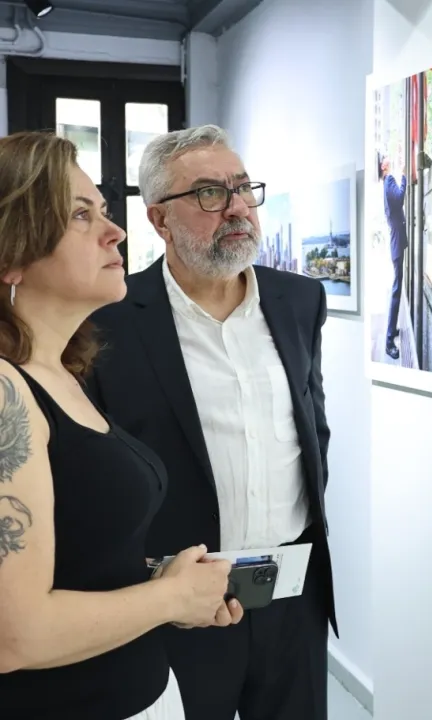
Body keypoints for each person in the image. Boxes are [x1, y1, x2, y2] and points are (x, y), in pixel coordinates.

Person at [84, 125, 336, 720]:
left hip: (290, 591)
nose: (238, 207)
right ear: (159, 219)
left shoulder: (299, 301)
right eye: (209, 194)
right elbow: (98, 474)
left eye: (243, 188)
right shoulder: (109, 318)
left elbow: (313, 428)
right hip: (176, 602)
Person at [0, 131, 237, 719]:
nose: (116, 232)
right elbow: (13, 636)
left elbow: (83, 556)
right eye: (81, 215)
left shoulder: (60, 373)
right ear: (12, 255)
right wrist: (171, 597)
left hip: (139, 688)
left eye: (104, 210)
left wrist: (172, 589)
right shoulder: (6, 391)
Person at [379, 150, 408, 361]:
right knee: (396, 290)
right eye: (385, 158)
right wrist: (404, 174)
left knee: (397, 289)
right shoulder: (389, 180)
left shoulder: (386, 183)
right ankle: (389, 341)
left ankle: (391, 331)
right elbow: (399, 198)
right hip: (396, 244)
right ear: (384, 166)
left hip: (397, 242)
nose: (388, 157)